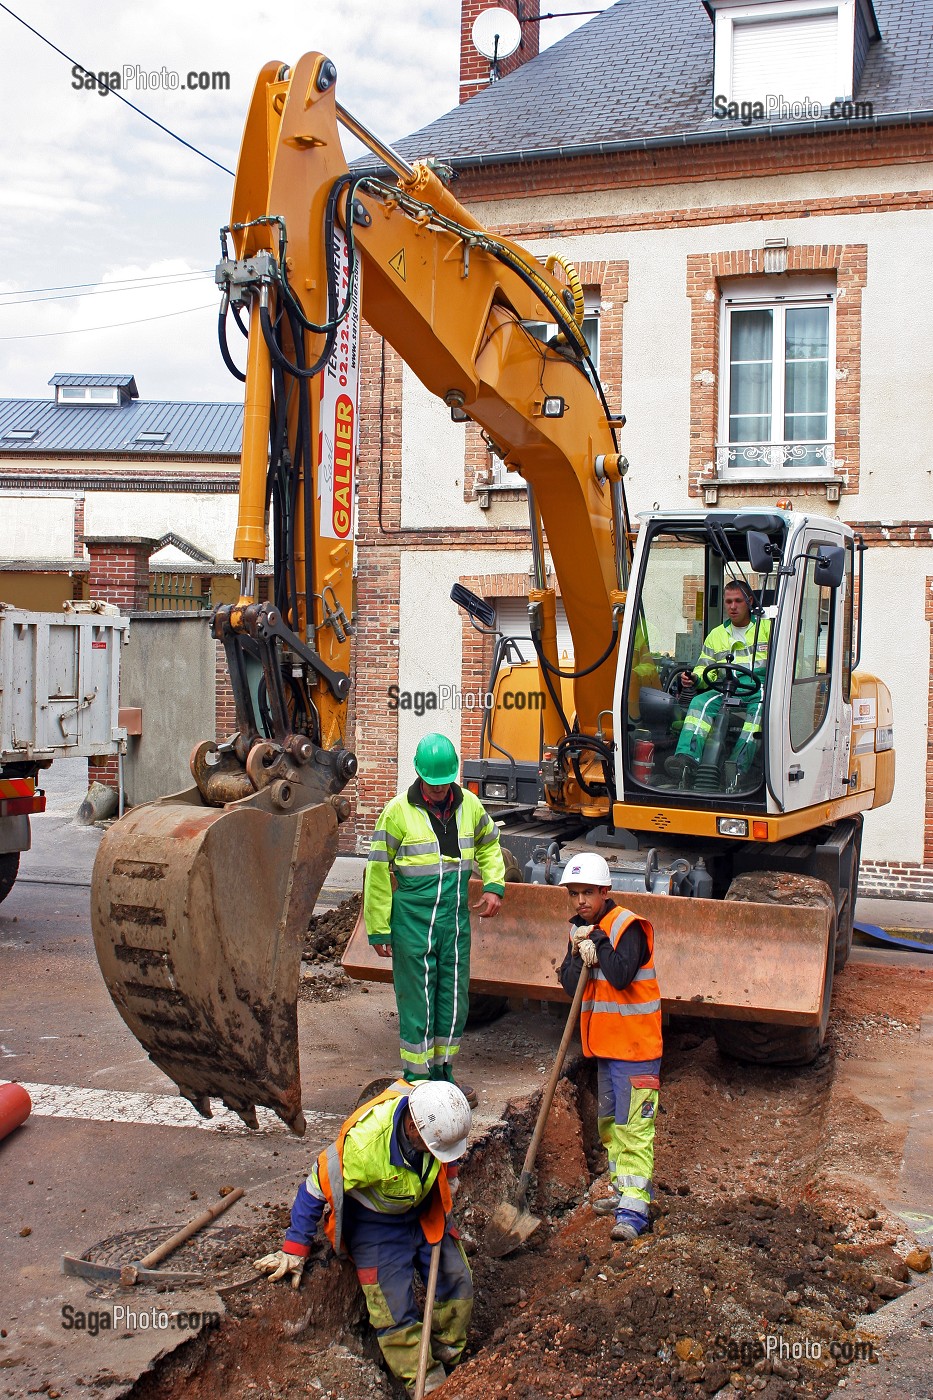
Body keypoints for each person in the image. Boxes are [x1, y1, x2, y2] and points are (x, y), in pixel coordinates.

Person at [254, 1079, 473, 1397]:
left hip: (425, 1209)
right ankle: (427, 1384)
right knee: (393, 1308)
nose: (437, 1153)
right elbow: (315, 1188)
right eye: (432, 1146)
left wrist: (449, 1177)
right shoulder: (365, 1146)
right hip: (376, 1226)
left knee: (457, 1283)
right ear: (411, 1126)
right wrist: (294, 1247)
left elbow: (446, 1150)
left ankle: (450, 1362)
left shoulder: (432, 1106)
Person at [363, 733, 506, 1102]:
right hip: (412, 920)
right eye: (433, 783)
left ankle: (443, 1074)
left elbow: (490, 844)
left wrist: (493, 884)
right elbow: (378, 871)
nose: (440, 790)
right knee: (418, 1000)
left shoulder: (470, 806)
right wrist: (379, 928)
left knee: (453, 999)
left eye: (445, 783)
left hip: (453, 921)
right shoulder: (397, 812)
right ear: (420, 776)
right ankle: (416, 1077)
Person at [556, 852, 662, 1242]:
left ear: (605, 891)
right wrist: (575, 953)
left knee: (634, 1130)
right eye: (574, 894)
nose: (580, 901)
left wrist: (597, 940)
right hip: (605, 1049)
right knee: (611, 1127)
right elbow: (572, 986)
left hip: (636, 1049)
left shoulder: (627, 927)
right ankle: (624, 1193)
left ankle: (634, 1211)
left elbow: (619, 975)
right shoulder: (578, 930)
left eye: (588, 893)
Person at [665, 579, 772, 783]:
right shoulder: (716, 635)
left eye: (738, 601)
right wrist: (694, 679)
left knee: (759, 711)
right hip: (727, 689)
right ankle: (687, 758)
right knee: (699, 703)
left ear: (749, 601)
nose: (732, 607)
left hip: (760, 688)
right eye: (728, 601)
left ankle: (737, 767)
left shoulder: (767, 630)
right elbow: (704, 667)